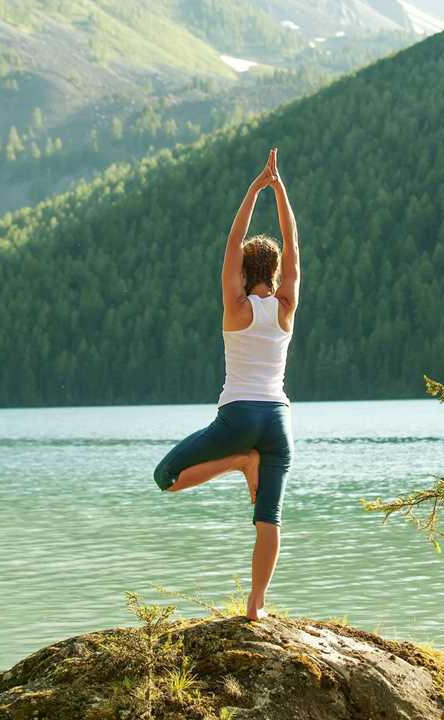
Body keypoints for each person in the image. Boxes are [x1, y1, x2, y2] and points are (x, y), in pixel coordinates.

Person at [153, 147, 300, 622]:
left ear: (241, 270)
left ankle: (239, 463)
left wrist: (254, 189)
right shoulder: (285, 307)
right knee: (269, 518)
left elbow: (233, 240)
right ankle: (256, 608)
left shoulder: (234, 306)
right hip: (278, 421)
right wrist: (280, 193)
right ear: (275, 274)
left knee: (166, 479)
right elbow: (294, 244)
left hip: (237, 417)